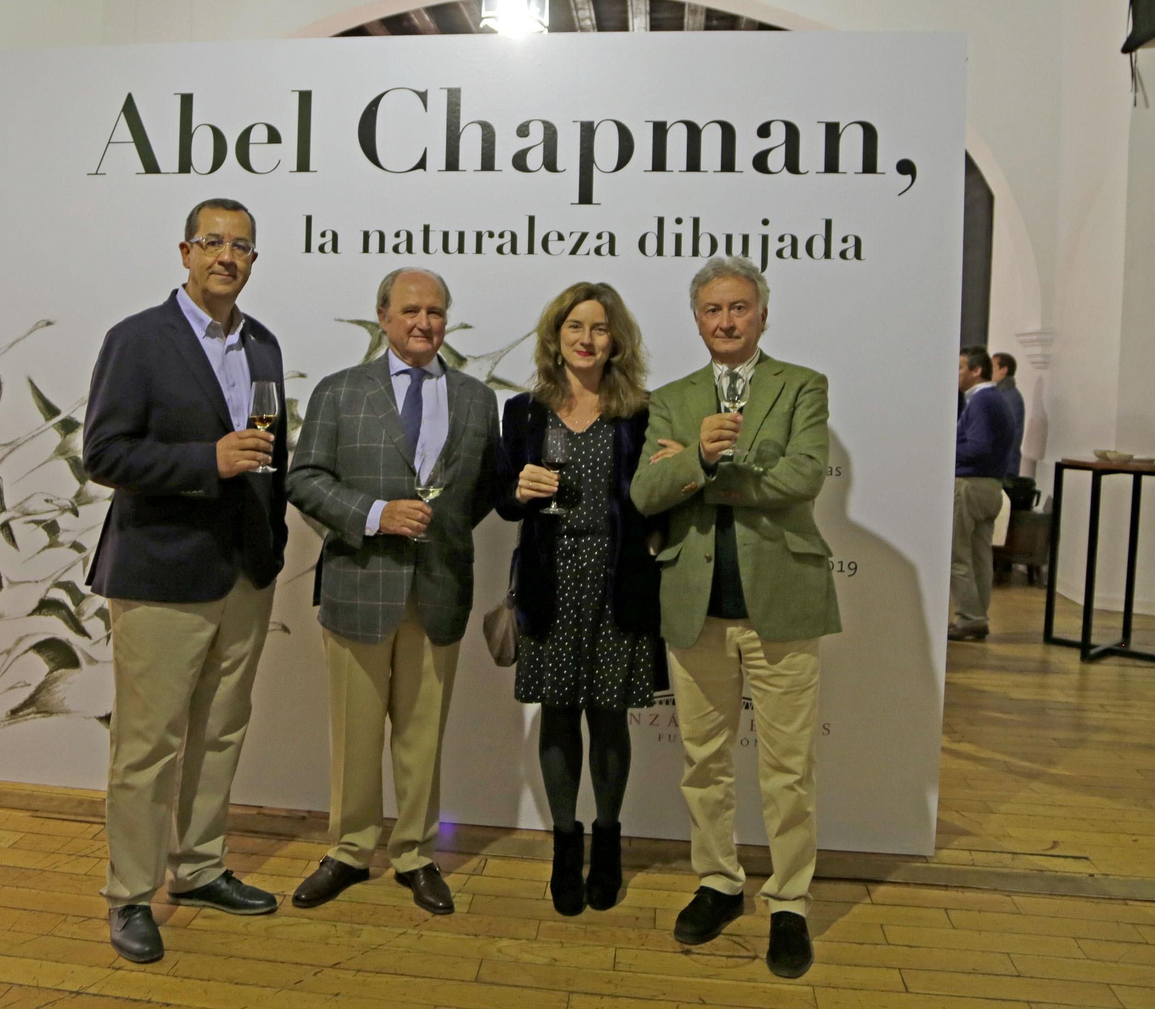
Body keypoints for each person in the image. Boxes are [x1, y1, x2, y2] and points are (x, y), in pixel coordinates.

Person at [82, 198, 287, 965]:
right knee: (147, 747)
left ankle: (198, 869)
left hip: (244, 573)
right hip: (162, 574)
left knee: (221, 733)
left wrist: (272, 545)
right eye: (212, 243)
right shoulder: (137, 339)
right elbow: (103, 454)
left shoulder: (262, 344)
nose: (226, 257)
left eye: (241, 246)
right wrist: (207, 460)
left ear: (253, 260)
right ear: (184, 251)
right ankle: (130, 895)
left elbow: (274, 457)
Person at [628, 255, 841, 980]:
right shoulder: (674, 396)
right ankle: (719, 882)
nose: (726, 321)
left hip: (782, 601)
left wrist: (709, 471)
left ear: (762, 314)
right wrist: (691, 456)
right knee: (703, 762)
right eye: (713, 310)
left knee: (788, 768)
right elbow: (647, 492)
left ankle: (789, 903)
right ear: (697, 319)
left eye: (739, 308)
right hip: (696, 606)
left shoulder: (802, 386)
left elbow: (803, 476)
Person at [286, 266, 500, 916]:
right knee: (353, 734)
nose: (423, 323)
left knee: (421, 733)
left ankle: (414, 853)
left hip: (438, 588)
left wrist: (441, 531)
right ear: (382, 317)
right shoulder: (339, 392)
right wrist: (377, 514)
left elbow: (484, 489)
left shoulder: (474, 398)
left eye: (435, 312)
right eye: (410, 310)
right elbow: (305, 479)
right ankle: (350, 851)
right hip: (359, 585)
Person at [495, 282, 664, 916]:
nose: (586, 339)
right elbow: (502, 498)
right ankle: (566, 848)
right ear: (555, 337)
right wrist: (519, 488)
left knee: (610, 715)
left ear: (615, 339)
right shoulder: (524, 411)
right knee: (559, 714)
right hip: (550, 577)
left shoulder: (643, 411)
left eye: (598, 328)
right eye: (574, 327)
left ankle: (610, 845)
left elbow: (658, 497)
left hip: (617, 578)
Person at [951, 345, 1017, 641]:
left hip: (971, 486)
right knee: (979, 556)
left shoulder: (980, 401)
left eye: (961, 368)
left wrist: (945, 454)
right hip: (992, 486)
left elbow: (978, 447)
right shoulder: (998, 399)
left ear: (977, 371)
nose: (957, 374)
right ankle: (977, 617)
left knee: (958, 555)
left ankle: (970, 618)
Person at [991, 352, 1025, 479]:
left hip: (1003, 466)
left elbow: (1007, 434)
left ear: (1004, 370)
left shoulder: (1010, 397)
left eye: (992, 367)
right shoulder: (1001, 394)